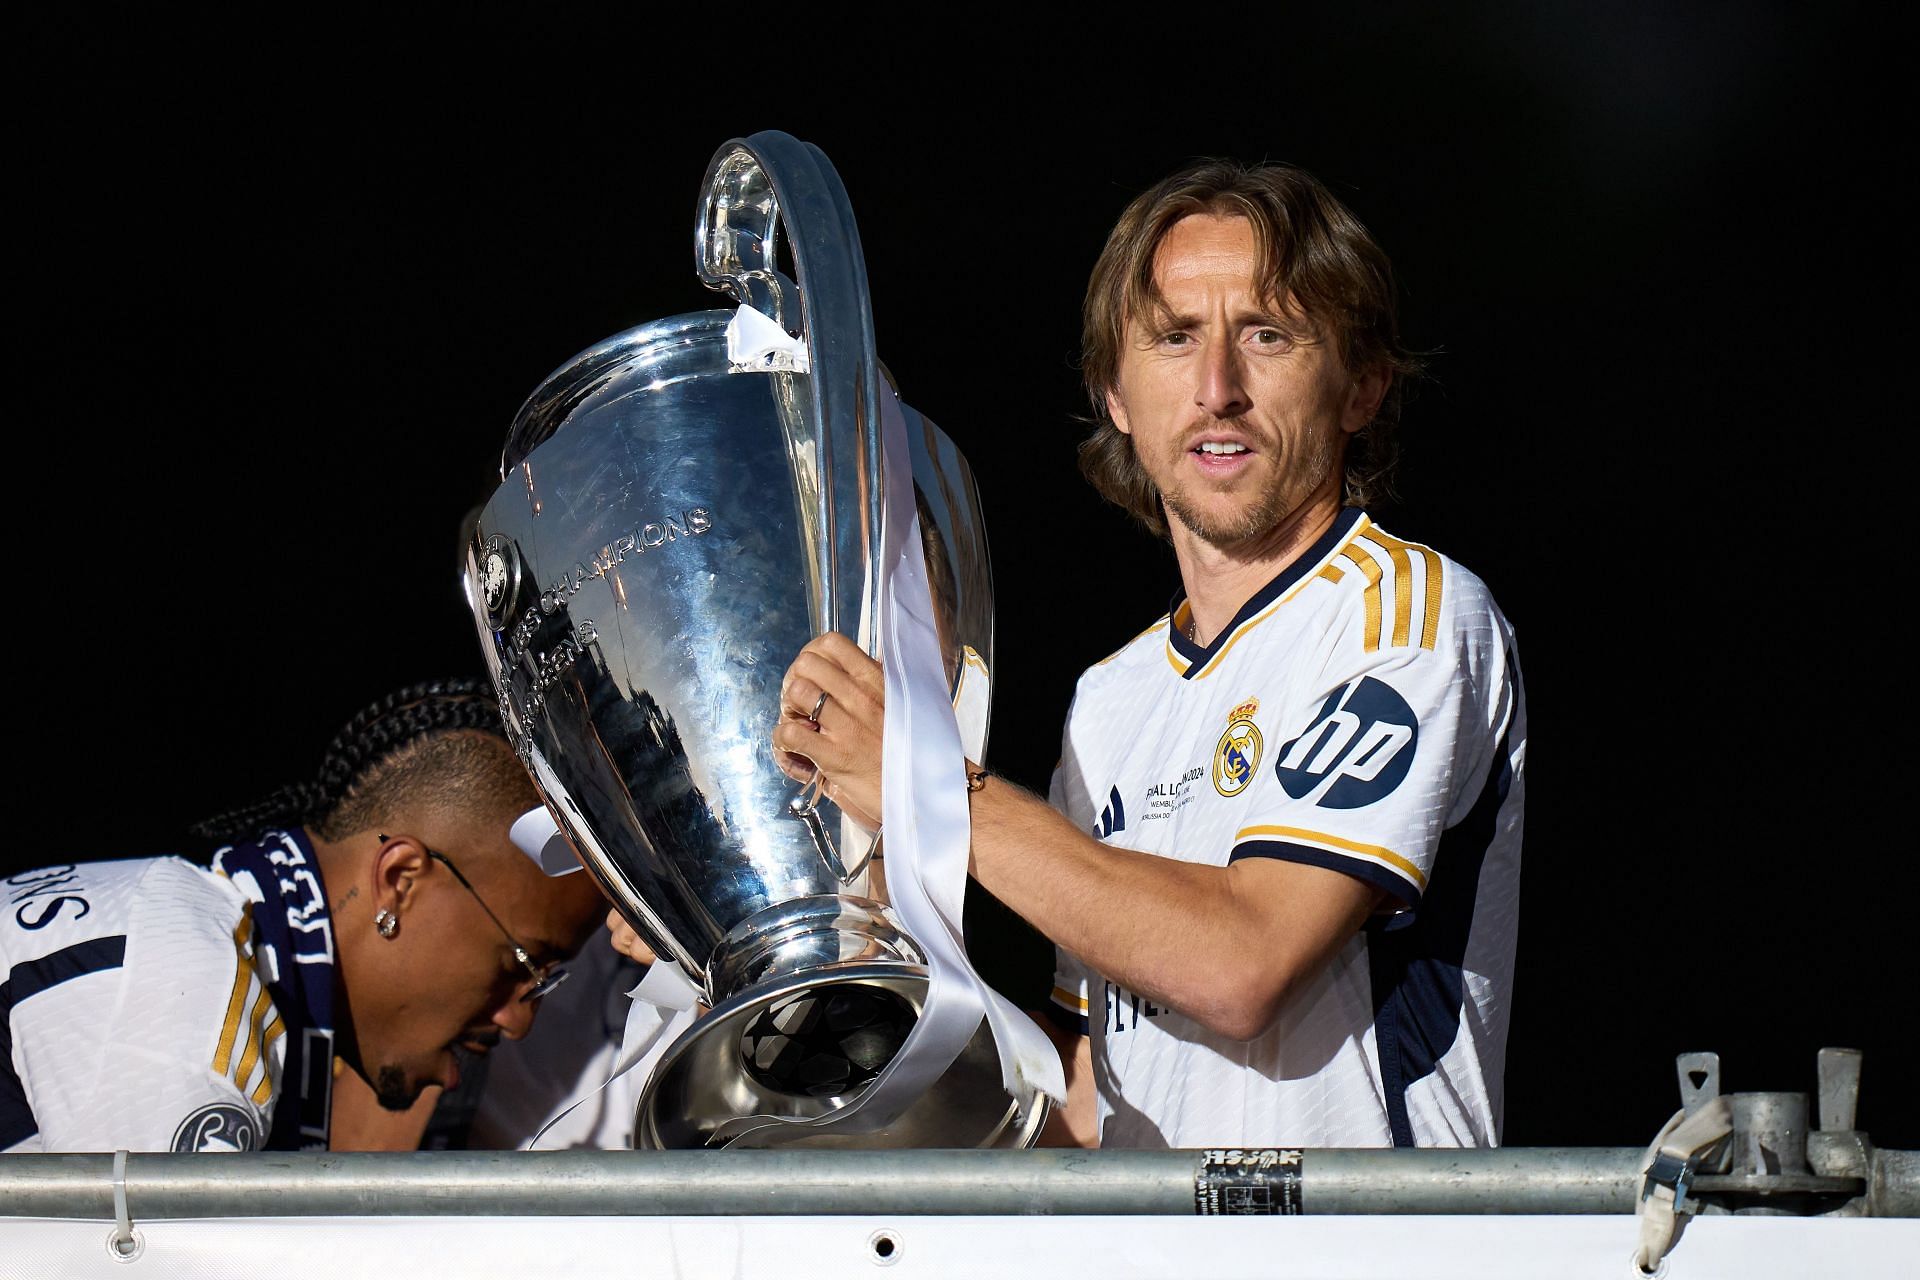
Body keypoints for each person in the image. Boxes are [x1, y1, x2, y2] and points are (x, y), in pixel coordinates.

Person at [772, 160, 1527, 1150]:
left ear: (1362, 385)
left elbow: (1241, 963)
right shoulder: (1110, 698)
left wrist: (917, 783)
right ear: (1115, 394)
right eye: (1174, 339)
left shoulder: (1409, 616)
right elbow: (1096, 1105)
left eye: (1267, 335)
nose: (1219, 390)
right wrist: (861, 1046)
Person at [0, 678, 606, 1153]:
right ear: (399, 882)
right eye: (521, 964)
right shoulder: (194, 1006)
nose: (520, 1020)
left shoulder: (189, 934)